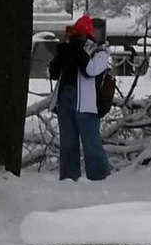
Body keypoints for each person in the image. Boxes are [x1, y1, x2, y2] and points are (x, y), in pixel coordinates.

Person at [48, 16, 115, 181]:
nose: (78, 38)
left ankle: (100, 177)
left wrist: (78, 52)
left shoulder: (100, 52)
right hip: (65, 100)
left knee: (91, 144)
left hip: (88, 104)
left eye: (81, 34)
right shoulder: (68, 50)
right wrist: (61, 55)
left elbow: (90, 70)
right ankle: (69, 178)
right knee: (68, 144)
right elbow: (54, 74)